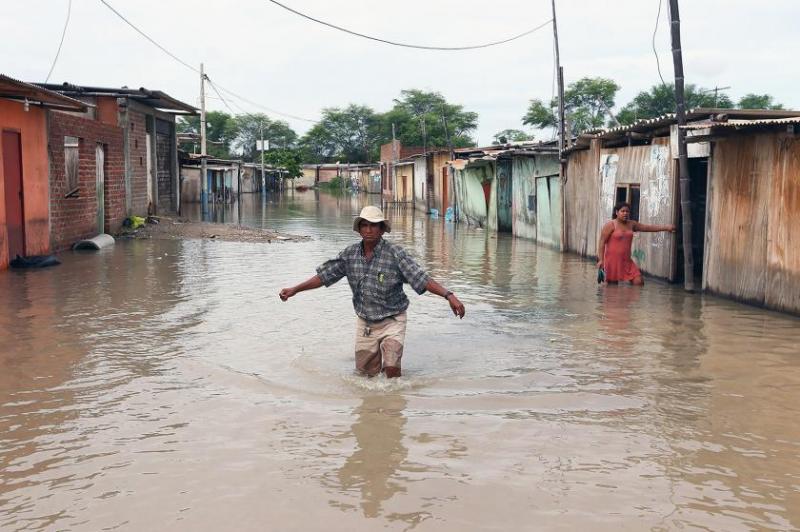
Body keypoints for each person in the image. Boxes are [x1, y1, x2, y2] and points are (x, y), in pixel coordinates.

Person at [279, 205, 465, 378]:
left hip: (393, 319)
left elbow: (421, 279)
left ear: (382, 229)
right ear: (359, 229)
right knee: (365, 375)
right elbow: (324, 276)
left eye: (374, 226)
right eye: (364, 225)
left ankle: (393, 406)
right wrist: (295, 289)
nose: (368, 230)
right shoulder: (350, 254)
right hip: (365, 322)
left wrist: (448, 295)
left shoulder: (395, 253)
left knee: (392, 367)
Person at [597, 202, 676, 286]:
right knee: (612, 288)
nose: (625, 213)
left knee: (639, 282)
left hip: (626, 261)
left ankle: (629, 298)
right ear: (617, 212)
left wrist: (666, 228)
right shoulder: (610, 225)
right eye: (622, 211)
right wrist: (601, 260)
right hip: (612, 261)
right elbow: (602, 242)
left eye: (627, 211)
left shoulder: (632, 224)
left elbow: (647, 228)